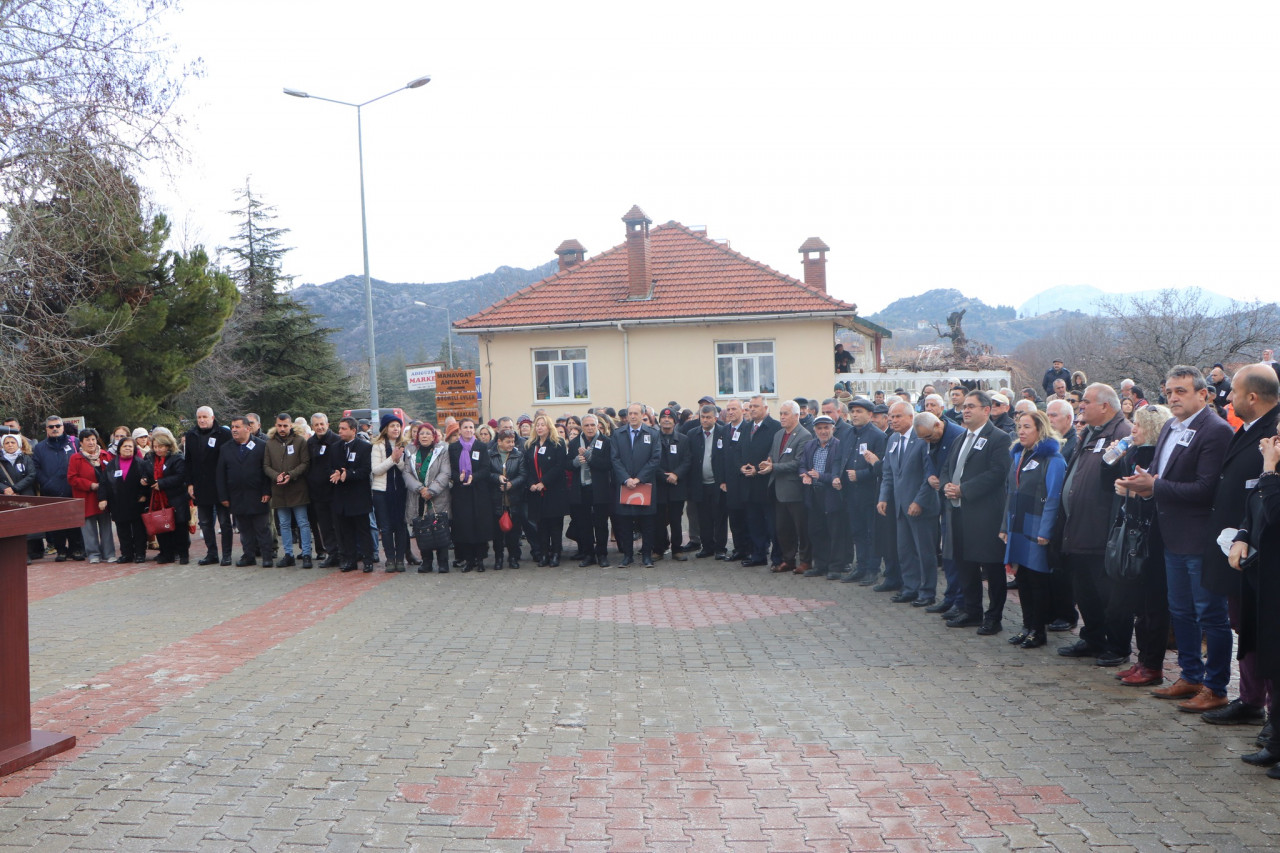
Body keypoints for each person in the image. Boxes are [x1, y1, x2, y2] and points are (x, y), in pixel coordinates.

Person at [1117, 365, 1233, 711]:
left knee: (1210, 615)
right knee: (1180, 612)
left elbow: (1206, 489)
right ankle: (1190, 676)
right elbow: (1161, 475)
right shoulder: (1170, 425)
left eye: (1181, 391)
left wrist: (1155, 486)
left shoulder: (1216, 430)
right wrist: (1143, 484)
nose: (1173, 398)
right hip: (1171, 535)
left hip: (1199, 538)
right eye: (1169, 392)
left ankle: (1216, 687)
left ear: (1203, 394)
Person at [1197, 364, 1280, 723]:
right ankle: (1250, 699)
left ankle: (1267, 713)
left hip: (1263, 553)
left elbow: (1265, 490)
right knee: (1244, 628)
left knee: (1263, 634)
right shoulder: (1249, 428)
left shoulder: (1274, 432)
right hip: (1239, 543)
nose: (1227, 397)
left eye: (1234, 392)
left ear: (1252, 396)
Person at [1056, 383, 1132, 661]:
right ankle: (1093, 638)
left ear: (1105, 406)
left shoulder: (1122, 434)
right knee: (1085, 592)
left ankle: (1117, 646)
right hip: (1078, 529)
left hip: (1102, 533)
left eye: (1086, 402)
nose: (1081, 406)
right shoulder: (1089, 432)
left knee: (1110, 595)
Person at [1106, 403, 1173, 687]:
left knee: (1152, 607)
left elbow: (1152, 497)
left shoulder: (1154, 455)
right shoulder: (1135, 451)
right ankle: (1143, 661)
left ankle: (1151, 665)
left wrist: (1129, 492)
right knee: (1141, 606)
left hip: (1152, 538)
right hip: (1137, 533)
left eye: (1139, 424)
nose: (1133, 429)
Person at [1228, 431, 1280, 776]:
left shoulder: (1272, 471)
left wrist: (1269, 469)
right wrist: (1242, 536)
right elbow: (1255, 510)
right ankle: (1275, 743)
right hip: (1265, 579)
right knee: (1273, 663)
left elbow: (1276, 514)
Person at [941, 390, 1013, 634]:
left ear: (987, 410)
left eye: (972, 406)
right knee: (964, 564)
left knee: (991, 568)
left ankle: (994, 617)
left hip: (985, 515)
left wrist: (964, 490)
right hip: (958, 512)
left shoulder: (999, 438)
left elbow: (997, 473)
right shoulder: (960, 438)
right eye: (965, 407)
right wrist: (946, 486)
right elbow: (947, 468)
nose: (966, 410)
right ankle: (972, 612)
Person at [999, 410, 1066, 649]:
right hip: (1018, 524)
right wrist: (1005, 526)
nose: (1021, 431)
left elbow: (1054, 498)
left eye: (1027, 427)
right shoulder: (1019, 455)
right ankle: (1027, 627)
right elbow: (1011, 492)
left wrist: (1046, 531)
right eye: (1020, 427)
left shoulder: (1053, 459)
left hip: (1036, 525)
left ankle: (1039, 631)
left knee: (1038, 580)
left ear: (1040, 429)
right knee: (1023, 579)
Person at [876, 402, 939, 605]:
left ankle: (927, 592)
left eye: (898, 416)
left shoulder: (922, 438)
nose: (893, 420)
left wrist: (919, 501)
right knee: (904, 550)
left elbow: (929, 474)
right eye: (891, 416)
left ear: (911, 418)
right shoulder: (892, 439)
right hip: (900, 506)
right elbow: (888, 472)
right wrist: (883, 497)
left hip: (921, 506)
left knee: (924, 552)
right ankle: (910, 588)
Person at [917, 411, 965, 615]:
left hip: (957, 501)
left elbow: (955, 466)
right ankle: (950, 597)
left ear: (938, 425)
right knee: (947, 553)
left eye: (928, 437)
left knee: (957, 553)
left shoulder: (957, 435)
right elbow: (928, 460)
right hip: (943, 499)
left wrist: (943, 481)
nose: (927, 441)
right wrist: (930, 476)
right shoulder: (929, 436)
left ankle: (960, 600)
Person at [841, 398, 888, 584]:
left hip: (870, 492)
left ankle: (872, 569)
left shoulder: (878, 436)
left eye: (859, 411)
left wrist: (860, 475)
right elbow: (843, 458)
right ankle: (860, 566)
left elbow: (881, 467)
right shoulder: (848, 434)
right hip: (851, 493)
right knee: (857, 531)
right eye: (852, 411)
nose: (854, 415)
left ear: (870, 415)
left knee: (871, 533)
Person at [761, 401, 811, 574]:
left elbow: (798, 463)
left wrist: (774, 467)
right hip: (778, 490)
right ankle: (788, 560)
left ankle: (805, 561)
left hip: (794, 490)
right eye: (781, 413)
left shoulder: (804, 436)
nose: (782, 417)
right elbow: (773, 455)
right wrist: (768, 462)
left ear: (797, 416)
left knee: (801, 528)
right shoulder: (779, 434)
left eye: (786, 414)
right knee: (782, 528)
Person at [218, 416, 274, 568]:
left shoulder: (262, 446)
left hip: (258, 495)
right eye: (232, 427)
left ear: (247, 429)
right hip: (236, 495)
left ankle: (267, 556)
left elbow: (267, 471)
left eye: (237, 427)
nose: (234, 430)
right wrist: (223, 496)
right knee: (244, 529)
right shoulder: (226, 448)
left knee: (262, 528)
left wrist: (267, 491)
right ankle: (248, 555)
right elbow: (221, 474)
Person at [611, 403, 661, 567]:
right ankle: (627, 555)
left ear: (642, 415)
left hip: (644, 485)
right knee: (625, 523)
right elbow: (615, 459)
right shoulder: (618, 434)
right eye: (630, 413)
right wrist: (626, 479)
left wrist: (638, 479)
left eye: (635, 413)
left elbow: (655, 459)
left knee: (647, 523)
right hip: (625, 485)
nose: (632, 416)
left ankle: (647, 555)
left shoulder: (652, 434)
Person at [184, 407, 233, 567]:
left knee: (224, 522)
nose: (202, 420)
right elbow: (188, 462)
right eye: (199, 417)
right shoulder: (191, 435)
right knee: (204, 522)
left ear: (213, 417)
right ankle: (211, 553)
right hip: (200, 485)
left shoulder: (224, 435)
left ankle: (226, 555)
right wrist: (189, 483)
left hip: (220, 485)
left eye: (205, 417)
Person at [265, 413, 314, 569]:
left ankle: (306, 553)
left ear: (291, 425)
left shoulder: (300, 441)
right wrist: (276, 476)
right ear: (276, 425)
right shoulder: (270, 443)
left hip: (297, 488)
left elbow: (305, 463)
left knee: (302, 523)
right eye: (279, 425)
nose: (282, 429)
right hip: (279, 490)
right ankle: (288, 555)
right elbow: (266, 465)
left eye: (285, 425)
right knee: (284, 524)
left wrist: (291, 475)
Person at [33, 415, 84, 562]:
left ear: (63, 427)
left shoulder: (74, 443)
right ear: (46, 429)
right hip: (51, 491)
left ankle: (77, 549)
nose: (55, 429)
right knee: (57, 523)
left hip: (72, 489)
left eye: (57, 426)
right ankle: (61, 550)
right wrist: (47, 484)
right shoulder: (39, 447)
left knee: (74, 521)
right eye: (51, 427)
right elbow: (36, 469)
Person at [799, 415, 844, 577]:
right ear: (814, 430)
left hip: (831, 493)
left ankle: (835, 567)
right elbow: (802, 465)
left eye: (826, 428)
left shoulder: (839, 446)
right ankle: (820, 565)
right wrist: (805, 475)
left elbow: (837, 473)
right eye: (819, 428)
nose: (823, 431)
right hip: (814, 494)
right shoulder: (810, 445)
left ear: (833, 428)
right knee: (816, 531)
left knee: (834, 531)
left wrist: (819, 476)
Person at [404, 423, 452, 573]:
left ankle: (443, 561)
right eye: (421, 433)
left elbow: (445, 473)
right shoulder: (411, 451)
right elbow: (406, 473)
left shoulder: (442, 451)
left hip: (437, 497)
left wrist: (432, 490)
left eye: (427, 433)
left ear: (433, 436)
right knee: (422, 530)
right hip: (418, 496)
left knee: (440, 528)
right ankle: (426, 561)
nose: (424, 436)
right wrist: (420, 489)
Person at [329, 417, 375, 572]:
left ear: (353, 430)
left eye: (343, 428)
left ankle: (368, 560)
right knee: (346, 530)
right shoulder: (335, 447)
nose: (340, 431)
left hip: (358, 496)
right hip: (341, 496)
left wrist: (348, 474)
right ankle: (350, 560)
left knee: (363, 530)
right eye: (339, 428)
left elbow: (365, 470)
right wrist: (334, 474)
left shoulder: (365, 447)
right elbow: (330, 467)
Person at [450, 418, 495, 572]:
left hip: (478, 492)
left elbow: (486, 468)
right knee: (465, 526)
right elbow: (451, 469)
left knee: (479, 525)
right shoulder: (453, 448)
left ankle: (480, 560)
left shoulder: (481, 446)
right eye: (465, 427)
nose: (468, 430)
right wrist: (458, 477)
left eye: (471, 427)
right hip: (461, 493)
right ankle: (469, 560)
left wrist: (473, 477)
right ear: (460, 430)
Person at [568, 415, 613, 567]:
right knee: (584, 524)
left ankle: (602, 554)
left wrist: (589, 456)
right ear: (582, 427)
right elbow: (566, 464)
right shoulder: (574, 443)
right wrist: (574, 462)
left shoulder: (606, 442)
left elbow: (608, 464)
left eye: (592, 425)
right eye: (586, 425)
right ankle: (588, 554)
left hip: (600, 489)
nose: (589, 428)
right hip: (581, 489)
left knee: (601, 524)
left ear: (597, 425)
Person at [67, 428, 115, 564]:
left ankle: (109, 553)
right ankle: (93, 554)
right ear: (80, 443)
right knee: (88, 528)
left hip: (103, 498)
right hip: (86, 497)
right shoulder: (75, 458)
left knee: (106, 526)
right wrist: (90, 485)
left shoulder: (105, 455)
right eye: (87, 440)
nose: (91, 442)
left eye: (93, 439)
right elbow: (72, 478)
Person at [370, 414, 410, 573]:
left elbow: (407, 469)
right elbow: (376, 470)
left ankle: (400, 559)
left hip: (400, 491)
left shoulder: (405, 445)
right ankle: (390, 559)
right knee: (386, 528)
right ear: (385, 429)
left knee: (400, 526)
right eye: (392, 425)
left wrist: (398, 459)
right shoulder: (377, 446)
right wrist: (392, 458)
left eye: (398, 426)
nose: (396, 429)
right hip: (381, 492)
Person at [143, 427, 189, 565]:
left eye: (161, 446)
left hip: (175, 498)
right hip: (157, 498)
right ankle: (165, 553)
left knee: (180, 527)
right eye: (155, 446)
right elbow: (146, 471)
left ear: (168, 446)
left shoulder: (177, 457)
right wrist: (145, 478)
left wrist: (162, 483)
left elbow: (181, 476)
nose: (157, 449)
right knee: (161, 526)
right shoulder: (150, 458)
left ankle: (183, 554)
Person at [688, 405, 727, 559]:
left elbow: (727, 458)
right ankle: (707, 547)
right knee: (703, 517)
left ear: (715, 418)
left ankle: (720, 548)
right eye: (702, 417)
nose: (704, 420)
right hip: (700, 483)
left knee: (720, 517)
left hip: (718, 483)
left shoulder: (723, 432)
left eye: (708, 417)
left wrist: (725, 480)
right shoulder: (693, 434)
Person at [653, 407, 691, 561]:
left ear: (675, 421)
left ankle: (677, 549)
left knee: (676, 519)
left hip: (677, 485)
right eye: (663, 417)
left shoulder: (683, 439)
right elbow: (651, 461)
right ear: (660, 421)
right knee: (658, 519)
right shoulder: (653, 438)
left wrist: (676, 474)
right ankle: (659, 549)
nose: (666, 420)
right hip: (659, 485)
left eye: (670, 418)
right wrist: (663, 476)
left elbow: (687, 460)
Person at [103, 436, 148, 564]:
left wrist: (143, 494)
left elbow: (147, 480)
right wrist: (103, 498)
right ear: (119, 449)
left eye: (130, 446)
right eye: (124, 446)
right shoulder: (112, 464)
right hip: (118, 503)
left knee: (139, 530)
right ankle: (126, 554)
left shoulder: (141, 463)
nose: (127, 448)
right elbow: (104, 482)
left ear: (134, 449)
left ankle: (140, 553)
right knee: (123, 530)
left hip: (137, 502)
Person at [306, 413, 343, 567]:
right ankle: (332, 554)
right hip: (317, 492)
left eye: (322, 424)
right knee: (325, 526)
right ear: (312, 426)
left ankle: (343, 554)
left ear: (327, 424)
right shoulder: (310, 443)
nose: (320, 427)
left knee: (338, 525)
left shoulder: (337, 440)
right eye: (316, 425)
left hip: (334, 491)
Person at [487, 427, 524, 569]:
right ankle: (498, 558)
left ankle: (513, 557)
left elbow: (523, 475)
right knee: (497, 533)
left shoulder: (518, 455)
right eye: (508, 442)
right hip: (496, 499)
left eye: (513, 441)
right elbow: (486, 473)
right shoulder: (490, 454)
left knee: (514, 532)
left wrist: (511, 484)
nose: (511, 445)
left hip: (513, 499)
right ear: (499, 442)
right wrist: (497, 478)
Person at [1, 433, 39, 561]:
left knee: (25, 524)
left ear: (18, 444)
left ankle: (26, 554)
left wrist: (15, 488)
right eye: (7, 443)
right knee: (10, 525)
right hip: (6, 497)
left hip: (25, 495)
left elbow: (31, 475)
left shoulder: (25, 458)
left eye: (13, 442)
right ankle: (12, 554)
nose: (10, 445)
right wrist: (5, 489)